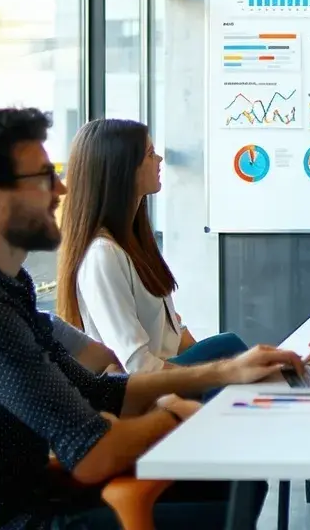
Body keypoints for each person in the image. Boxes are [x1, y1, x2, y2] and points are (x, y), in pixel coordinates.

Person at [0, 107, 310, 529]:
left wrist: (228, 371)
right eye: (44, 177)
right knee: (224, 502)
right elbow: (94, 455)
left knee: (234, 482)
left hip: (40, 493)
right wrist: (177, 415)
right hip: (10, 520)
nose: (61, 189)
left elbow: (99, 391)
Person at [56, 118, 248, 374]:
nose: (159, 159)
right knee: (230, 346)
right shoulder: (103, 254)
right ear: (122, 169)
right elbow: (138, 365)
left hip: (170, 372)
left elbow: (176, 335)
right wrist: (221, 372)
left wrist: (223, 364)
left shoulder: (134, 243)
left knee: (234, 351)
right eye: (150, 154)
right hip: (154, 386)